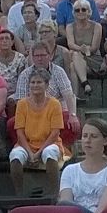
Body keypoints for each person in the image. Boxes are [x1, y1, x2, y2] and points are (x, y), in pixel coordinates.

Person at [58, 116, 107, 213]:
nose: (87, 140)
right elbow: (66, 202)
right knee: (62, 205)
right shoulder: (69, 170)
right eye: (85, 136)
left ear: (105, 140)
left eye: (93, 136)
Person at [11, 68, 65, 196]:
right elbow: (19, 132)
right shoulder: (22, 104)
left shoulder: (55, 104)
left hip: (50, 143)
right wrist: (30, 153)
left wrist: (38, 153)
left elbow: (55, 133)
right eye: (33, 82)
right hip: (26, 144)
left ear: (46, 85)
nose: (35, 85)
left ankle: (54, 193)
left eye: (39, 82)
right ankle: (19, 195)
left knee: (50, 153)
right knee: (15, 156)